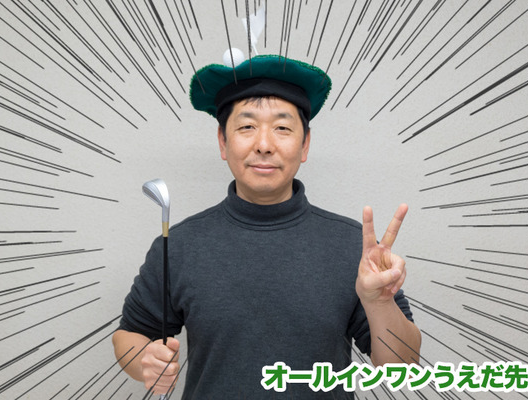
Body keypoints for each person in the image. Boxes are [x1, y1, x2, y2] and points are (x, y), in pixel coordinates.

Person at [112, 55, 421, 398]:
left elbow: (402, 367)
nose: (263, 144)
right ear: (222, 141)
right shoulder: (180, 244)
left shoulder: (352, 246)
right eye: (246, 127)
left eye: (282, 128)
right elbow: (130, 334)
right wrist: (144, 360)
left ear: (304, 144)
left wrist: (379, 304)